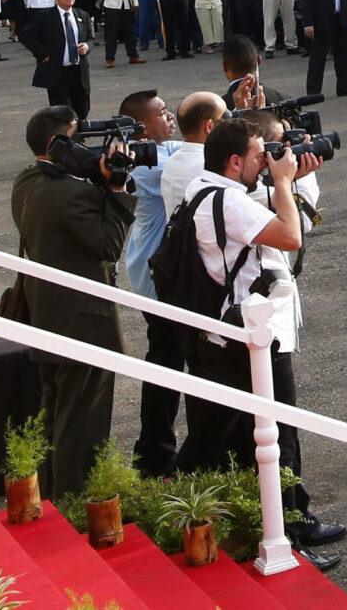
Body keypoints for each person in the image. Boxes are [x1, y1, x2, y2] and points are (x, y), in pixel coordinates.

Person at [171, 116, 343, 563]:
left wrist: (287, 180)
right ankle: (289, 537)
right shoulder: (229, 201)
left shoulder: (201, 188)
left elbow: (249, 209)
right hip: (250, 340)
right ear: (233, 162)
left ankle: (201, 514)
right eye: (256, 156)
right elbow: (288, 236)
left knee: (220, 436)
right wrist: (285, 183)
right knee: (276, 436)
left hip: (219, 335)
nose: (263, 162)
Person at [7, 104, 136, 501]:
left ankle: (51, 498)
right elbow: (109, 246)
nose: (85, 147)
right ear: (57, 145)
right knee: (82, 426)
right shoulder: (72, 192)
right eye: (78, 139)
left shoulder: (26, 182)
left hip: (46, 316)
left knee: (56, 418)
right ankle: (76, 505)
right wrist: (115, 190)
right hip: (83, 324)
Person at [118, 88, 188, 476]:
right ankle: (155, 454)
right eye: (162, 113)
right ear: (141, 128)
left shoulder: (164, 150)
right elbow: (199, 156)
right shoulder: (144, 164)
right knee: (166, 361)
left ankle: (155, 450)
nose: (170, 118)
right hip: (156, 276)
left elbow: (192, 145)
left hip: (159, 271)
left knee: (169, 358)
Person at [30, 0, 91, 117]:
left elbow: (91, 38)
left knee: (83, 108)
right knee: (63, 113)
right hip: (58, 73)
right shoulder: (45, 17)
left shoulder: (82, 15)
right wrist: (42, 53)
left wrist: (87, 46)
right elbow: (26, 35)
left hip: (78, 72)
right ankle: (66, 137)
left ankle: (79, 136)